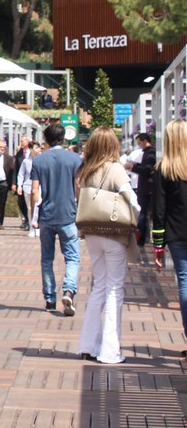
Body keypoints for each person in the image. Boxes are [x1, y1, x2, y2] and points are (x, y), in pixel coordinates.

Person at [75, 127, 139, 364]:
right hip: (114, 234)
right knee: (114, 290)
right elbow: (131, 197)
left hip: (91, 232)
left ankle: (88, 345)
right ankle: (110, 351)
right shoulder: (115, 168)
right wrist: (136, 215)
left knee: (99, 287)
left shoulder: (85, 170)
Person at [31, 124, 82, 315]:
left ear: (45, 139)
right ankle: (69, 289)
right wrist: (79, 207)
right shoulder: (75, 159)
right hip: (68, 214)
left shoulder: (39, 160)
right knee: (72, 257)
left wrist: (33, 216)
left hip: (46, 215)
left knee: (47, 259)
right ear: (63, 138)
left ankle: (50, 299)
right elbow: (79, 186)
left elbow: (34, 191)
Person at [152, 120, 187, 359]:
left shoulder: (164, 169)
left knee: (184, 283)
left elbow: (159, 209)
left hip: (176, 233)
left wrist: (158, 245)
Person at [126, 132, 157, 250]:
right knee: (144, 214)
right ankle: (143, 238)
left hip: (147, 189)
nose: (139, 146)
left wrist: (133, 167)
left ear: (145, 141)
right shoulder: (148, 152)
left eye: (139, 143)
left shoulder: (150, 152)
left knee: (143, 214)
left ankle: (142, 239)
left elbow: (147, 169)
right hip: (146, 188)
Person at [17, 141, 42, 237]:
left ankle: (38, 227)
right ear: (31, 149)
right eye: (36, 147)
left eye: (38, 147)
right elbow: (21, 174)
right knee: (30, 208)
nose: (38, 150)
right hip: (28, 187)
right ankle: (32, 228)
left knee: (39, 207)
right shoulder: (26, 161)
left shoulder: (42, 160)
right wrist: (19, 185)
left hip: (39, 187)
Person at [14, 136, 32, 230]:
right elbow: (16, 169)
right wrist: (15, 183)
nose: (21, 143)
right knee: (21, 203)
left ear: (28, 142)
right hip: (22, 183)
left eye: (22, 141)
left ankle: (31, 222)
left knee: (31, 205)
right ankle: (26, 220)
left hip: (32, 182)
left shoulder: (33, 153)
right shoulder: (19, 154)